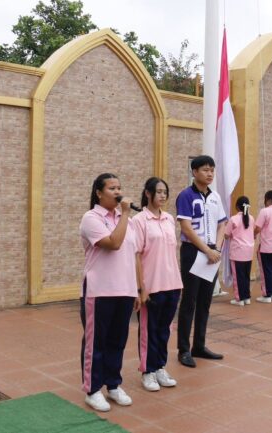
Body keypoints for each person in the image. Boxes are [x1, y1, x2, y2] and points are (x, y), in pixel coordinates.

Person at [79, 173, 140, 412]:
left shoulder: (127, 221)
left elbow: (132, 255)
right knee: (96, 342)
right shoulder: (91, 218)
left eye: (119, 188)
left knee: (117, 340)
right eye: (112, 188)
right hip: (99, 290)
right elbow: (114, 243)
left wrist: (136, 289)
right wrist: (124, 214)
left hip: (125, 289)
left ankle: (113, 384)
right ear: (98, 193)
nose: (118, 192)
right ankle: (93, 389)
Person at [176, 155, 227, 368]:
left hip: (212, 252)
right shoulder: (185, 196)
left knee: (205, 301)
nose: (209, 173)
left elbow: (222, 224)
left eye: (212, 170)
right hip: (193, 251)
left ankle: (199, 345)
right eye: (205, 170)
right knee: (189, 301)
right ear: (194, 172)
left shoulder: (215, 197)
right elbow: (186, 228)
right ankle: (184, 349)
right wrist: (207, 250)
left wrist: (217, 248)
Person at [133, 177, 183, 392]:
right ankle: (148, 371)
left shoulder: (169, 219)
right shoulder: (139, 220)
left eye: (165, 192)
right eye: (159, 191)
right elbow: (135, 255)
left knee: (164, 330)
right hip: (151, 286)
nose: (163, 196)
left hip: (172, 283)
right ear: (148, 193)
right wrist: (141, 288)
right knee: (149, 330)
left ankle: (160, 366)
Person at [224, 196, 255, 307]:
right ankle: (246, 297)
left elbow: (226, 235)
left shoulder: (233, 219)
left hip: (237, 252)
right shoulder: (251, 218)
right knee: (246, 276)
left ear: (237, 207)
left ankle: (239, 299)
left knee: (238, 277)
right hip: (249, 251)